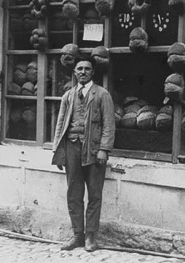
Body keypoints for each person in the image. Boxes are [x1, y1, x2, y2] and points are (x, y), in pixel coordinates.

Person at [52, 55, 115, 252]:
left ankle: (91, 237)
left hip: (94, 150)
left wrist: (104, 149)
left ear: (93, 72)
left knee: (94, 194)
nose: (83, 72)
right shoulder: (68, 96)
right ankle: (77, 235)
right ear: (74, 72)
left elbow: (109, 125)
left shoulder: (102, 94)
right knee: (74, 193)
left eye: (87, 69)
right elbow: (60, 125)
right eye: (79, 69)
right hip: (71, 148)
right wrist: (59, 151)